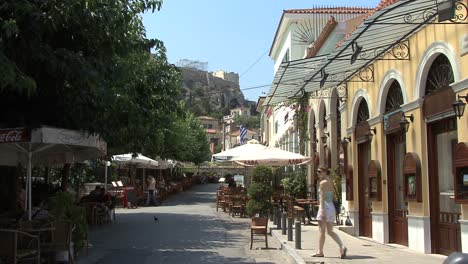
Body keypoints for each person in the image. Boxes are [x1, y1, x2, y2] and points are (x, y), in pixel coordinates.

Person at [312, 167, 347, 259]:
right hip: (331, 207)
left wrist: (322, 211)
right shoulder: (331, 181)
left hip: (325, 207)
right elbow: (332, 196)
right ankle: (342, 246)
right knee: (330, 231)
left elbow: (322, 198)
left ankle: (320, 251)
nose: (317, 173)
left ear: (325, 172)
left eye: (319, 171)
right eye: (317, 171)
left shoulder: (322, 183)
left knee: (321, 231)